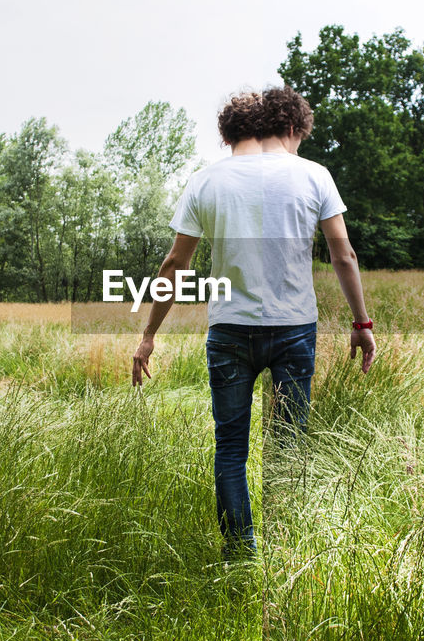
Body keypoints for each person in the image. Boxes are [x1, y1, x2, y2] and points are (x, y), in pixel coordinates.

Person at [130, 86, 375, 560]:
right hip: (294, 330)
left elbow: (173, 266)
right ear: (290, 129)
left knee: (230, 452)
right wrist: (361, 321)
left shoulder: (205, 181)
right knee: (288, 451)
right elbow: (343, 254)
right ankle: (285, 558)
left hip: (230, 332)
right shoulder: (314, 176)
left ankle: (240, 558)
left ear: (228, 136)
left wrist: (149, 335)